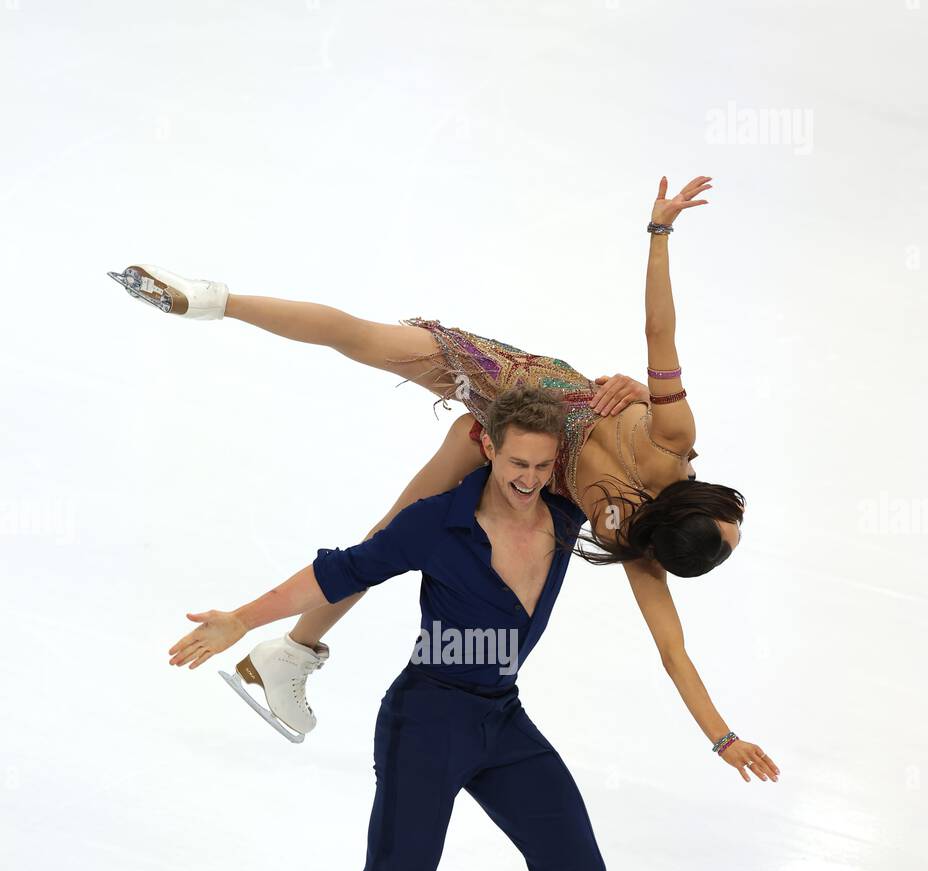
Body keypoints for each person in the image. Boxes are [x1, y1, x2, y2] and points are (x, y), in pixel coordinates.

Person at [114, 177, 761, 774]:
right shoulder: (632, 545)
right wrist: (724, 739)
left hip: (522, 387)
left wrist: (659, 232)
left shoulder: (671, 439)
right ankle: (289, 654)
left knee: (360, 337)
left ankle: (216, 301)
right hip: (504, 452)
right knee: (381, 545)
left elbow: (658, 329)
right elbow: (674, 655)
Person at [173, 388, 611, 871]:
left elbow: (647, 467)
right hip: (429, 717)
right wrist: (244, 620)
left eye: (543, 466)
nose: (529, 478)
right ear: (486, 445)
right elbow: (338, 574)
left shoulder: (567, 517)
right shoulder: (437, 525)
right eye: (516, 462)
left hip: (502, 720)